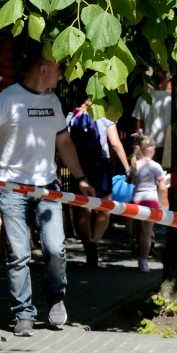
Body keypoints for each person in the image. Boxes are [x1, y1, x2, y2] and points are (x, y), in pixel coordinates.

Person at [0, 51, 95, 337]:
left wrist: (81, 179)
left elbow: (64, 142)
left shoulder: (53, 101)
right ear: (42, 69)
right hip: (12, 189)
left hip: (48, 188)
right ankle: (23, 313)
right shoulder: (9, 98)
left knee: (55, 248)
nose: (61, 74)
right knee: (19, 254)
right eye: (57, 68)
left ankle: (56, 298)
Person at [66, 98, 130, 268]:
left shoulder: (71, 116)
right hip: (101, 164)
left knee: (83, 212)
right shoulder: (105, 113)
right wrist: (127, 168)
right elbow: (115, 143)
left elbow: (65, 145)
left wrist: (60, 167)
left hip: (79, 166)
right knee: (104, 208)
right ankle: (95, 241)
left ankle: (88, 252)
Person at [127, 135, 167, 272]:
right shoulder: (156, 166)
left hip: (137, 200)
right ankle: (144, 262)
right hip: (151, 201)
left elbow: (129, 180)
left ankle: (139, 258)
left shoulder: (134, 164)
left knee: (139, 230)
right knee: (147, 232)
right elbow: (162, 187)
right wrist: (161, 202)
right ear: (152, 150)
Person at [132, 70, 173, 165]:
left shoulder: (143, 98)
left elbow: (138, 126)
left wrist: (137, 145)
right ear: (167, 80)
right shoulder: (171, 99)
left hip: (148, 145)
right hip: (167, 145)